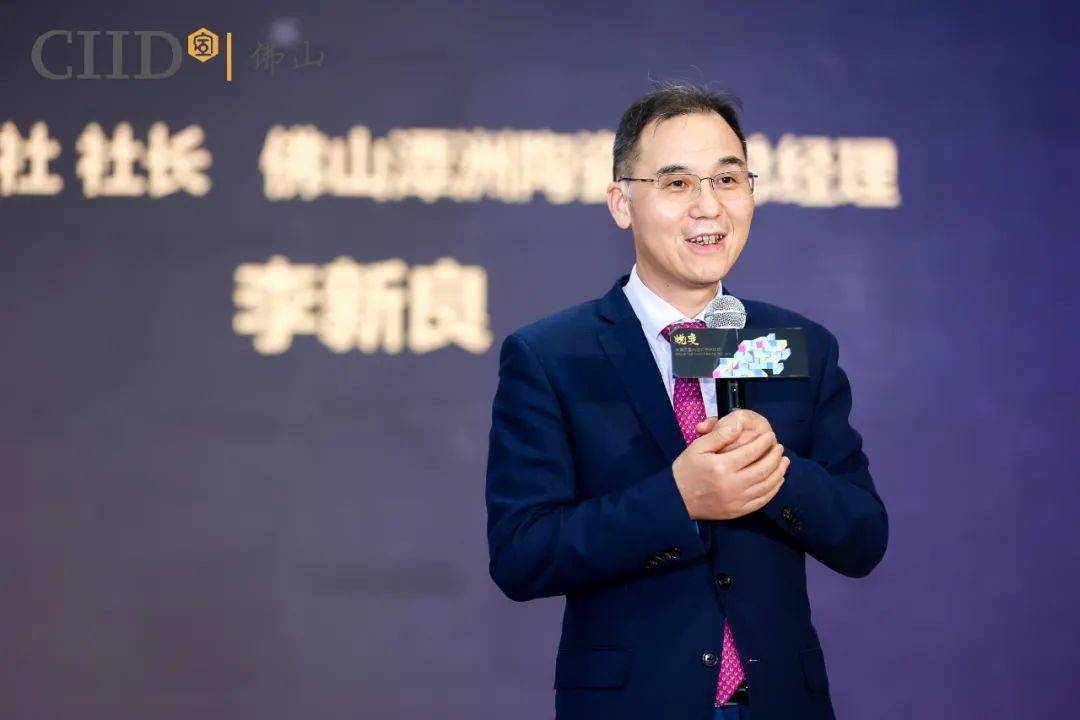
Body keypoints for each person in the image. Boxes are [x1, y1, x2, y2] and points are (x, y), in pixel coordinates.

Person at [484, 84, 888, 720]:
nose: (709, 207)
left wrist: (774, 473)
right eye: (677, 183)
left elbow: (862, 537)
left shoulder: (795, 346)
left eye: (728, 179)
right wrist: (679, 500)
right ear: (622, 203)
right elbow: (521, 553)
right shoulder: (552, 355)